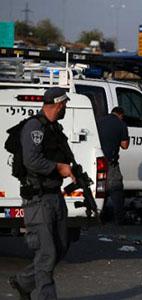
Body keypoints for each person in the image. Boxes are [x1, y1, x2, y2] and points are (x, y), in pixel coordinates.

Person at [9, 87, 75, 300]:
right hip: (37, 200)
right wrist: (58, 168)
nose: (65, 107)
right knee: (47, 254)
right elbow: (31, 160)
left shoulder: (54, 129)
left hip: (54, 196)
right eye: (64, 103)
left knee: (60, 247)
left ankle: (23, 282)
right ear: (58, 104)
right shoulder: (34, 127)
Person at [97, 107, 129, 225]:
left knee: (100, 188)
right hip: (111, 162)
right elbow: (125, 145)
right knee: (116, 188)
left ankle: (99, 216)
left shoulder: (99, 121)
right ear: (121, 115)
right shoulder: (121, 124)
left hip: (98, 161)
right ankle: (119, 219)